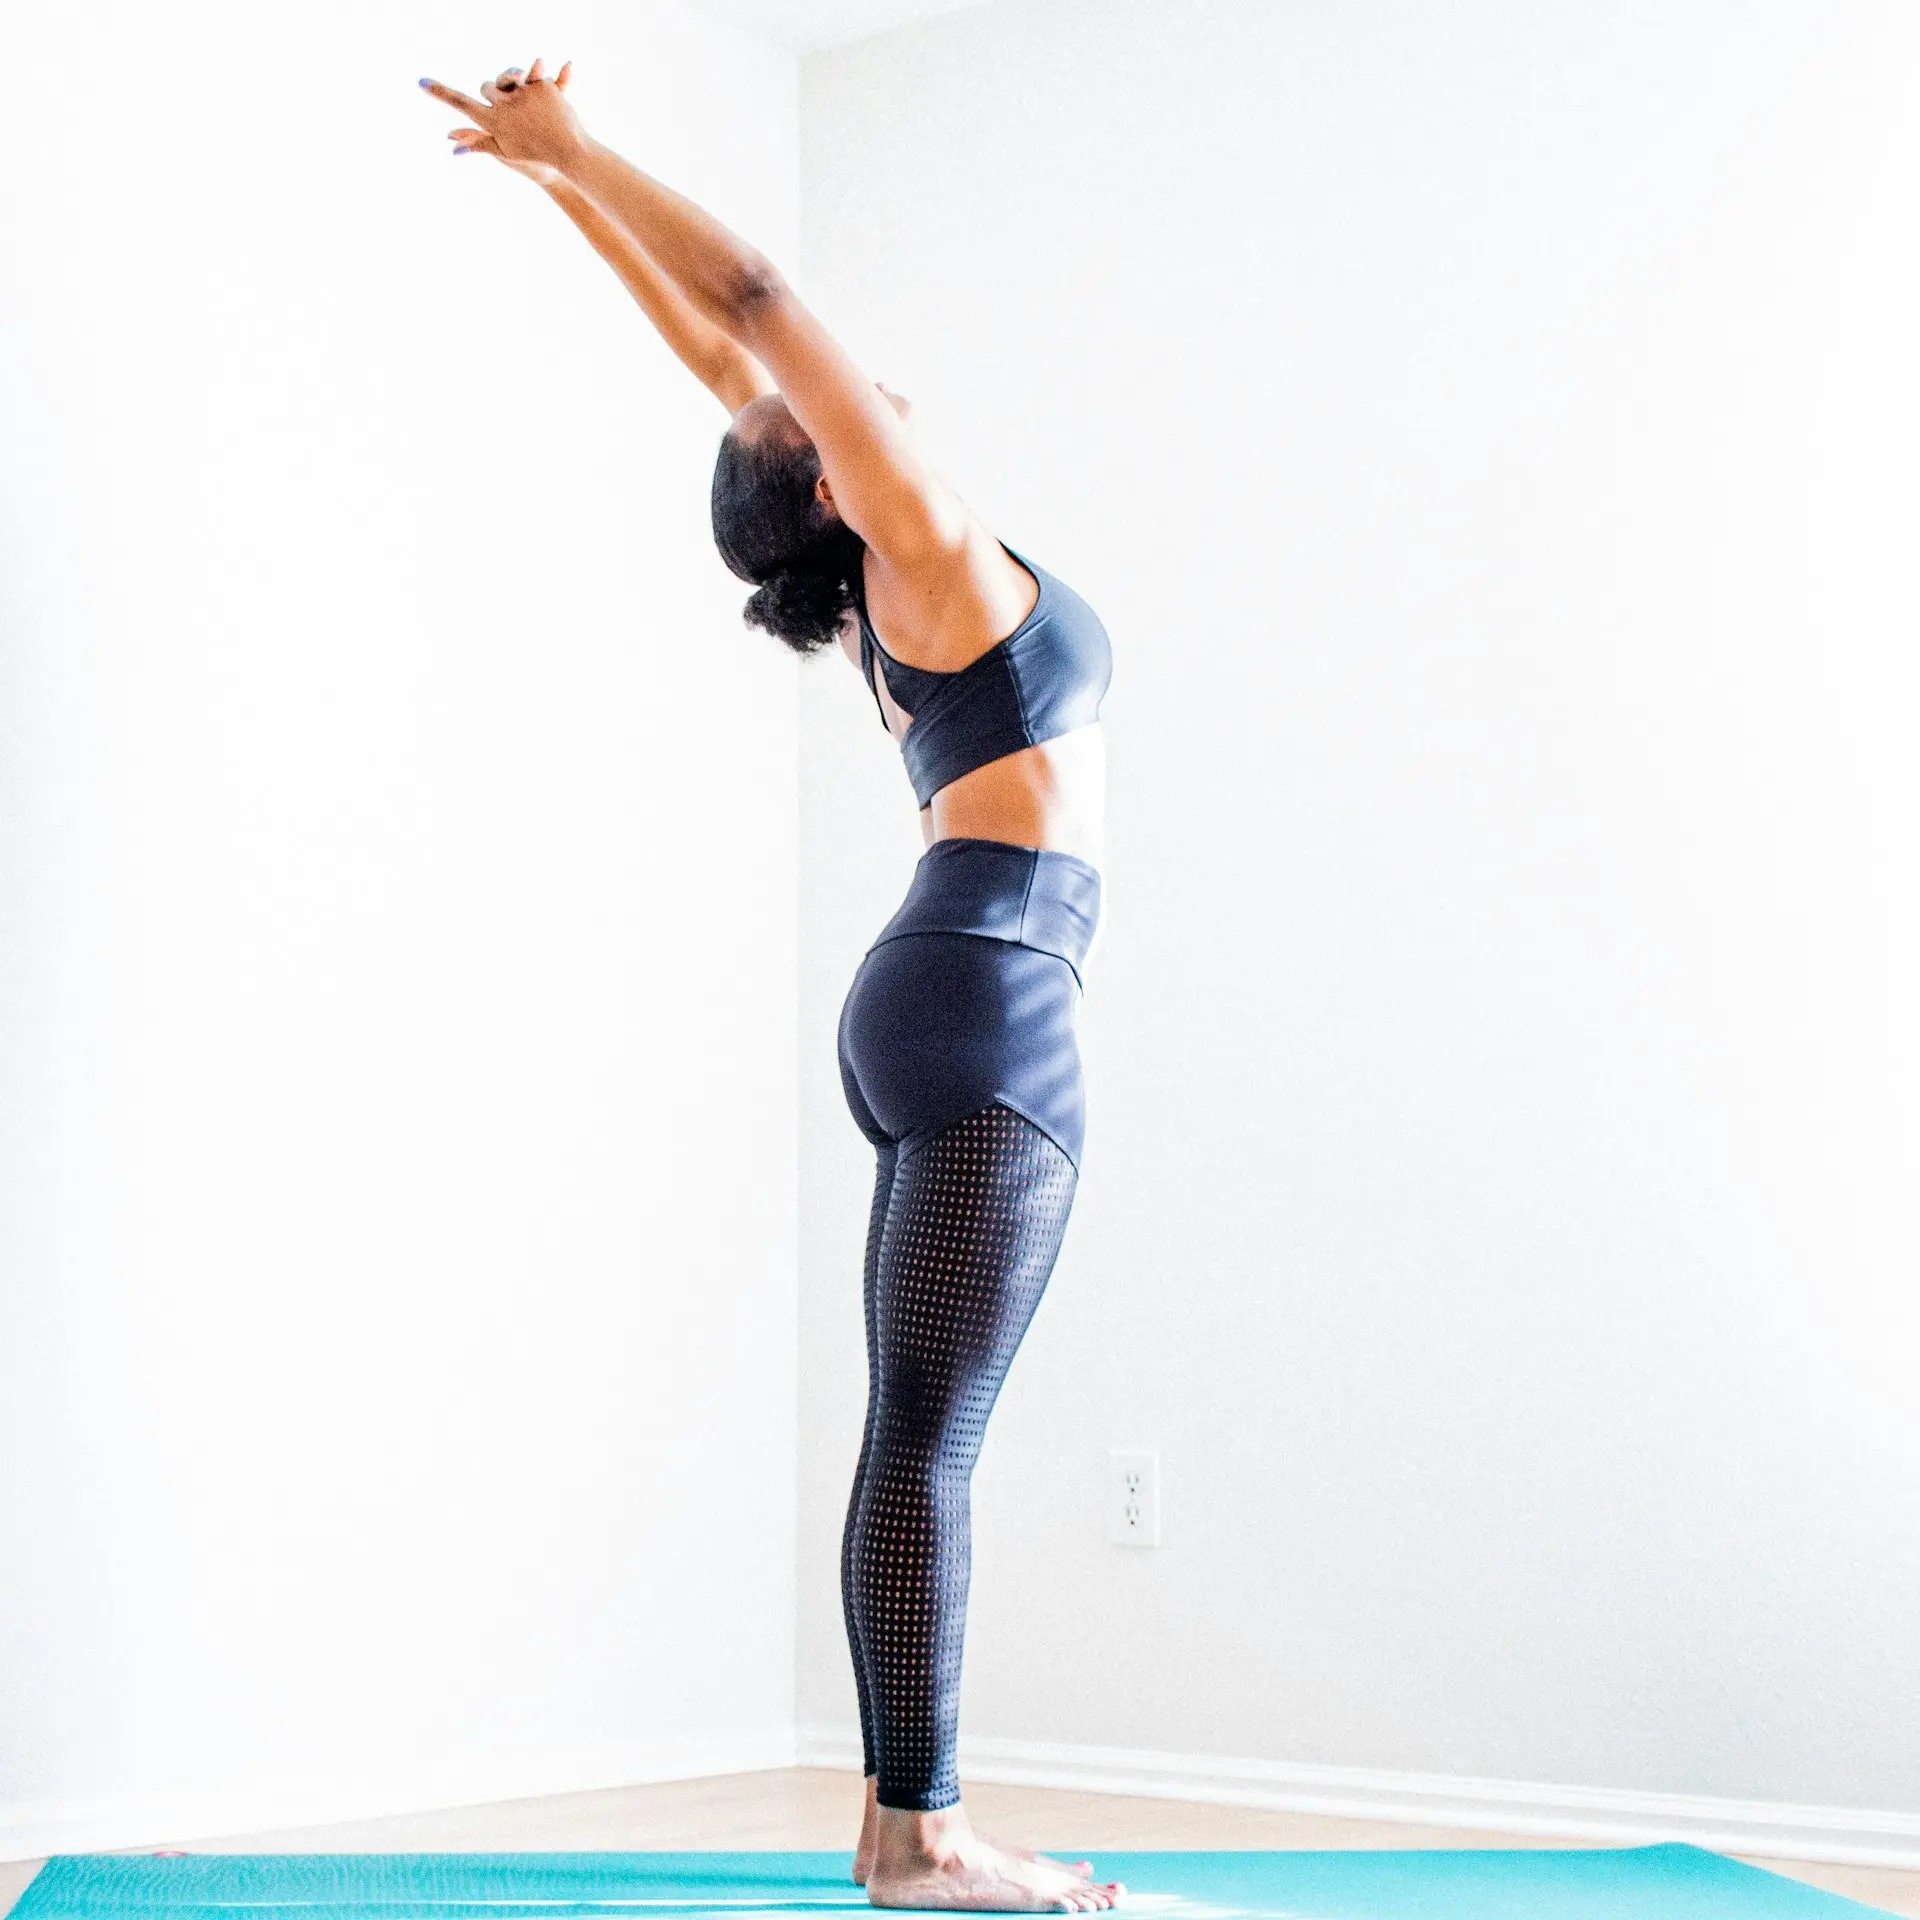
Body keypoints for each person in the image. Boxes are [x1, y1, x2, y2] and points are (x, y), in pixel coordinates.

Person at [420, 59, 1121, 1915]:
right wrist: (580, 149)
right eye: (812, 407)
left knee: (917, 1422)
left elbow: (712, 362)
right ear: (824, 468)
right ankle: (925, 1839)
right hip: (992, 987)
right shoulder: (928, 548)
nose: (828, 382)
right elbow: (752, 316)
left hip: (938, 982)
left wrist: (565, 198)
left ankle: (914, 1827)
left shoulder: (883, 566)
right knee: (933, 1431)